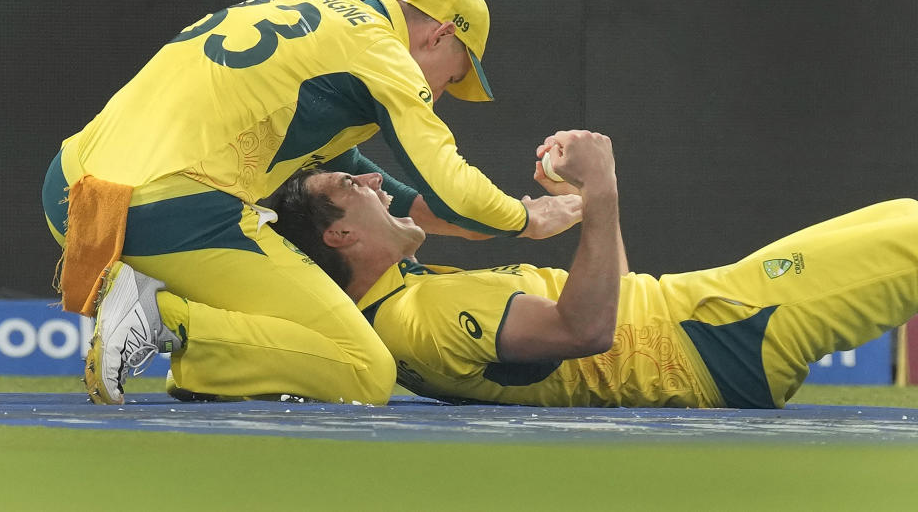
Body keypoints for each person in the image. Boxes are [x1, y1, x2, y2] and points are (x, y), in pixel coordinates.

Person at [40, 0, 581, 406]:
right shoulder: (384, 54)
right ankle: (164, 317)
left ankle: (194, 345)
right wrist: (528, 218)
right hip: (166, 207)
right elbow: (450, 182)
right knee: (364, 370)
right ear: (441, 34)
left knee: (281, 331)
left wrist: (457, 220)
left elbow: (340, 159)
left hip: (70, 191)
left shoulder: (316, 5)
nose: (440, 94)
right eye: (453, 75)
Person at [265, 129, 918, 408]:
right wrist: (602, 188)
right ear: (342, 233)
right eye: (355, 185)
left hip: (706, 316)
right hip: (726, 337)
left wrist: (587, 210)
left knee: (904, 212)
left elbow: (615, 304)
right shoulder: (418, 316)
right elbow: (586, 332)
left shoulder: (408, 298)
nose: (378, 183)